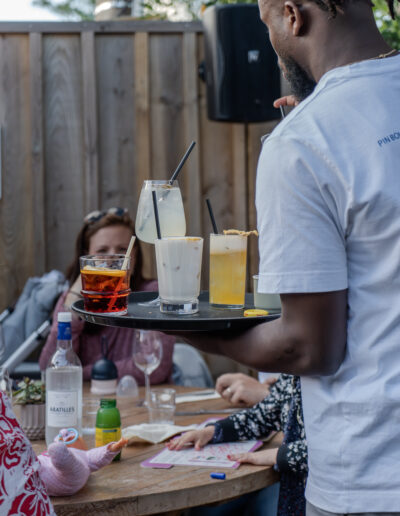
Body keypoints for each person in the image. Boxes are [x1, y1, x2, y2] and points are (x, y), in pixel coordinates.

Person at [178, 0, 400, 513]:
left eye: (266, 23)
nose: (271, 44)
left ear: (293, 15)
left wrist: (186, 327)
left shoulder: (303, 141)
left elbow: (307, 349)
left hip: (373, 477)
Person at [39, 208, 175, 383]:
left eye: (122, 249)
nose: (112, 258)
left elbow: (155, 367)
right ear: (86, 257)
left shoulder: (152, 295)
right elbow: (49, 367)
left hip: (138, 401)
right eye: (102, 251)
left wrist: (81, 373)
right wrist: (73, 300)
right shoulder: (72, 298)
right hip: (87, 403)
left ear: (134, 256)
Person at [169, 374, 307, 516]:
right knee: (207, 511)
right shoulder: (292, 374)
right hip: (290, 486)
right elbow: (264, 415)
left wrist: (279, 455)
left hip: (314, 494)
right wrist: (213, 431)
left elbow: (329, 451)